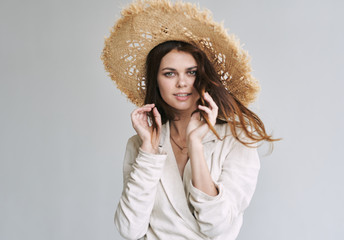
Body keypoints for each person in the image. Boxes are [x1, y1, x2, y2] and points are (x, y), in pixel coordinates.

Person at [101, 1, 278, 239]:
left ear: (204, 76)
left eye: (191, 72)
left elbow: (219, 229)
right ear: (156, 80)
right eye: (169, 73)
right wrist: (149, 154)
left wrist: (195, 145)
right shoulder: (140, 145)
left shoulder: (237, 139)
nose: (182, 83)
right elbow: (129, 229)